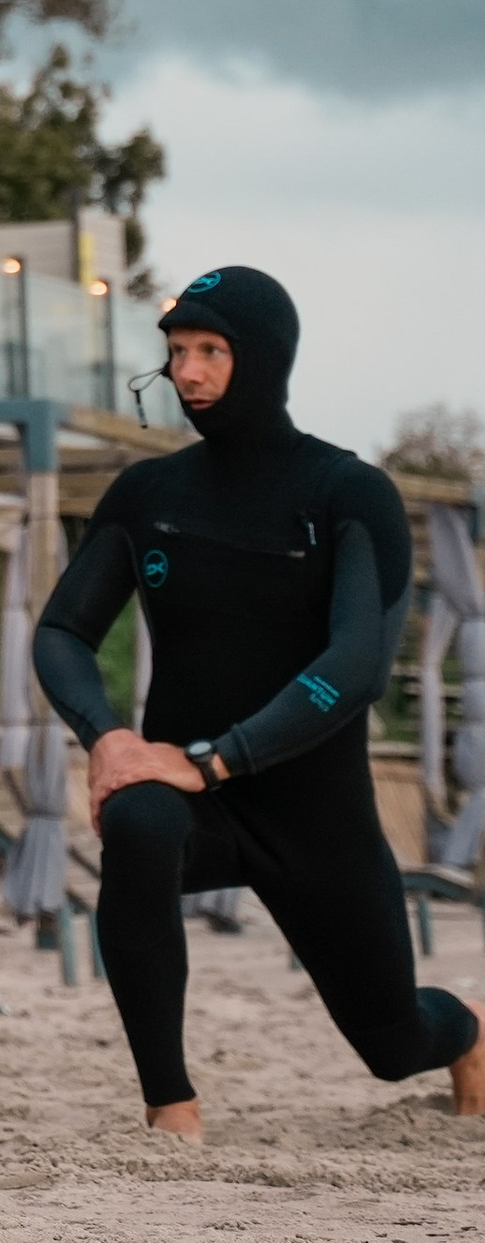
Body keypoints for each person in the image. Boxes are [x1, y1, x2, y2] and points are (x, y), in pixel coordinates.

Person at [34, 264, 485, 1139]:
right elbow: (61, 631)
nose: (188, 373)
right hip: (186, 796)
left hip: (317, 817)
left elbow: (357, 666)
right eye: (176, 352)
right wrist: (110, 737)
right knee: (138, 822)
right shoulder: (148, 496)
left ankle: (466, 1029)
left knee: (394, 1044)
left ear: (266, 358)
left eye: (211, 351)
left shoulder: (349, 494)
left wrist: (215, 760)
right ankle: (171, 1105)